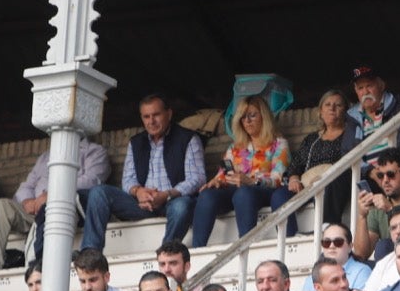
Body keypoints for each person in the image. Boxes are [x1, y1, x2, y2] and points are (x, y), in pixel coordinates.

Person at [81, 94, 205, 249]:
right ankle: (90, 251)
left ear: (169, 114)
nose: (151, 121)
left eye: (156, 115)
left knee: (182, 206)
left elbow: (197, 178)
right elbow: (128, 179)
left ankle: (166, 251)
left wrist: (166, 195)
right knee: (99, 192)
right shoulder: (136, 142)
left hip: (172, 201)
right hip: (142, 204)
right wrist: (138, 192)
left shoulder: (188, 139)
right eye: (146, 117)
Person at [0, 137, 107, 271]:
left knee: (53, 206)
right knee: (1, 206)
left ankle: (38, 262)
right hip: (35, 210)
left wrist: (54, 195)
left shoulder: (94, 151)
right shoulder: (46, 156)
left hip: (67, 209)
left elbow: (92, 181)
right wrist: (27, 201)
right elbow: (27, 185)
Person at [191, 94, 294, 248]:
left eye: (252, 115)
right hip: (237, 192)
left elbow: (279, 177)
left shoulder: (278, 143)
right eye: (243, 117)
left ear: (264, 117)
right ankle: (196, 250)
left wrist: (251, 181)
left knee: (244, 192)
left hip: (265, 191)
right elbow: (223, 173)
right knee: (207, 195)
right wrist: (217, 181)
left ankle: (246, 246)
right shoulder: (235, 147)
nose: (247, 121)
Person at [285, 89, 358, 227]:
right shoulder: (312, 139)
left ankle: (327, 227)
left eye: (338, 105)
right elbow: (296, 163)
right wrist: (294, 178)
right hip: (307, 185)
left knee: (333, 182)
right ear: (320, 111)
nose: (332, 108)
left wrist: (323, 178)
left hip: (334, 182)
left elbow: (349, 162)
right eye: (328, 104)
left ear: (346, 111)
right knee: (281, 195)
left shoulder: (350, 135)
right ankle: (289, 234)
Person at [347, 64, 400, 162]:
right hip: (365, 175)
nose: (365, 92)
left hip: (397, 169)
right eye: (360, 88)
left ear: (381, 86)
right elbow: (348, 151)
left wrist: (387, 164)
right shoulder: (352, 117)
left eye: (369, 85)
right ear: (356, 91)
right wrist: (369, 171)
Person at [299, 222, 371, 291]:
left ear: (350, 247)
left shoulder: (362, 271)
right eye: (326, 242)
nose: (331, 246)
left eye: (338, 242)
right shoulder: (310, 279)